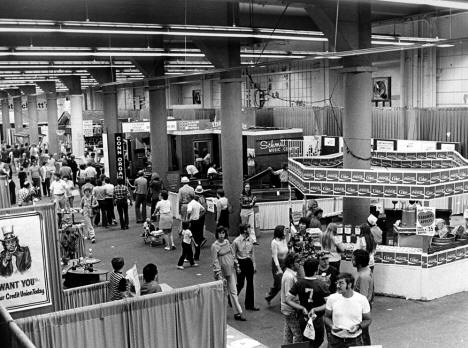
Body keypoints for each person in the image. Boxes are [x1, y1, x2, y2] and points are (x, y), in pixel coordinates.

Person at [286, 258, 330, 348]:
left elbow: (288, 300)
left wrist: (301, 308)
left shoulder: (299, 283)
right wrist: (315, 309)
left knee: (305, 342)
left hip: (303, 318)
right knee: (318, 341)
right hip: (317, 320)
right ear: (316, 269)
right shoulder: (321, 284)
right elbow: (329, 304)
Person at [324, 273, 372, 348]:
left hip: (355, 341)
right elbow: (326, 317)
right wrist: (332, 325)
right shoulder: (332, 298)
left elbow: (368, 319)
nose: (337, 286)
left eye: (341, 283)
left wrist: (358, 326)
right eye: (337, 283)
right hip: (335, 341)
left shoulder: (362, 299)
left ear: (349, 285)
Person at [211, 226, 246, 321]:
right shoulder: (215, 246)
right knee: (223, 294)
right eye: (220, 233)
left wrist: (236, 266)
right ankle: (221, 313)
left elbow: (232, 255)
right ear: (217, 234)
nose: (221, 235)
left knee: (234, 291)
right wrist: (218, 274)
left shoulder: (227, 242)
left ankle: (238, 312)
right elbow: (215, 261)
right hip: (222, 273)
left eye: (223, 233)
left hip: (230, 270)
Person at [232, 224, 259, 311]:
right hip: (240, 263)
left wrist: (254, 264)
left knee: (250, 283)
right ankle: (231, 297)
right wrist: (237, 267)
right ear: (244, 230)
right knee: (240, 284)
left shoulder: (250, 240)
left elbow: (252, 253)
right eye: (249, 228)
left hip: (249, 262)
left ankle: (250, 305)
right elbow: (233, 256)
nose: (250, 230)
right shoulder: (236, 241)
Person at [352, 249, 374, 346]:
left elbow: (364, 298)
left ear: (359, 263)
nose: (351, 261)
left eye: (353, 260)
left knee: (363, 333)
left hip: (361, 310)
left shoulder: (363, 276)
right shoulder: (366, 270)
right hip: (363, 308)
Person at [280, 252, 302, 345]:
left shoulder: (290, 274)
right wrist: (299, 307)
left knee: (288, 334)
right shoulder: (289, 277)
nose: (300, 264)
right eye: (298, 262)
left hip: (287, 309)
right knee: (298, 335)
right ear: (292, 263)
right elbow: (289, 297)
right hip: (291, 310)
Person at [265, 225, 290, 305]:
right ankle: (281, 300)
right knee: (280, 284)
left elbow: (286, 249)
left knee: (282, 283)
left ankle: (273, 297)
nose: (285, 231)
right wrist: (279, 268)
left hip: (285, 263)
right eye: (284, 230)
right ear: (280, 232)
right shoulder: (274, 242)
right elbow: (274, 256)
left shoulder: (284, 239)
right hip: (277, 265)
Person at [187, 193, 206, 261]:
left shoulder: (190, 204)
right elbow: (203, 210)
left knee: (188, 238)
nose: (187, 198)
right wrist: (199, 216)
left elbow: (189, 211)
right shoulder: (197, 203)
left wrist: (188, 219)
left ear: (190, 198)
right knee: (197, 239)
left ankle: (188, 256)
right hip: (197, 221)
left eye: (188, 197)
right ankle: (196, 256)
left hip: (192, 222)